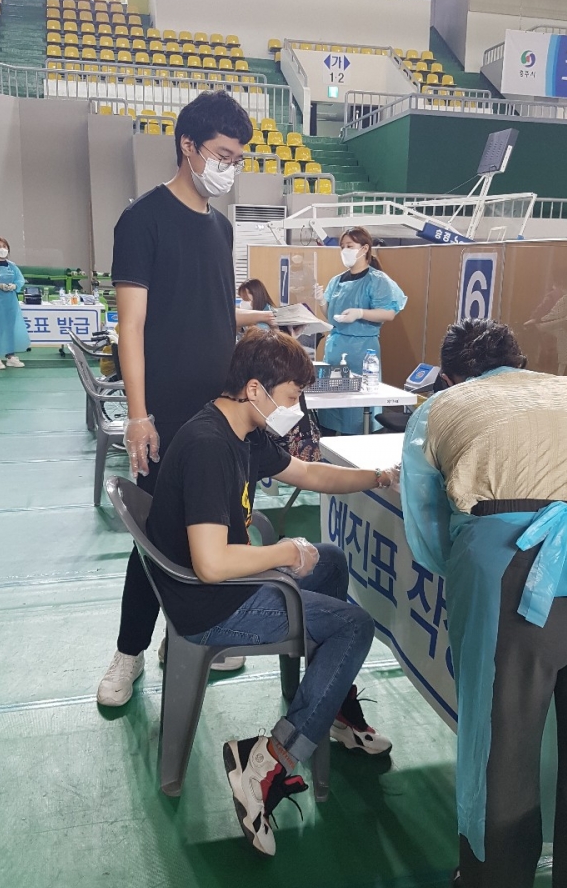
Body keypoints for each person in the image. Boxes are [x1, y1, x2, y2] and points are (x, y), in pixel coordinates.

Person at [147, 328, 399, 856]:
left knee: (330, 561)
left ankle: (331, 708)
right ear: (255, 389)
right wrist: (282, 552)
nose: (294, 410)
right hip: (211, 605)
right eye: (290, 397)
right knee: (355, 626)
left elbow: (308, 473)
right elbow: (212, 564)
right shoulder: (210, 447)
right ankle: (269, 760)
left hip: (223, 586)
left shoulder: (242, 427)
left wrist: (378, 477)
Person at [400, 318, 567, 888]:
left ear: (450, 374)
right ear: (523, 362)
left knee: (501, 755)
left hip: (512, 570)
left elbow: (427, 532)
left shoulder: (439, 409)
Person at [97, 91, 277, 706]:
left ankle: (190, 637)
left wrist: (266, 322)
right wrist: (139, 415)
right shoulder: (142, 219)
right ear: (188, 146)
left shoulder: (220, 227)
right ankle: (128, 653)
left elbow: (214, 309)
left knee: (222, 528)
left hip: (221, 413)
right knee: (158, 536)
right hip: (168, 412)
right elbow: (132, 325)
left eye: (237, 159)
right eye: (223, 155)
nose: (230, 168)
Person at [315, 227, 407, 434]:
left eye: (350, 246)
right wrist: (321, 302)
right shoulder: (337, 281)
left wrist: (360, 313)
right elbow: (331, 316)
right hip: (335, 349)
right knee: (330, 410)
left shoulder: (377, 280)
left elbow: (388, 313)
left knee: (356, 412)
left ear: (364, 248)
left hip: (362, 352)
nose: (344, 250)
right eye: (342, 247)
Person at [0, 237, 29, 369]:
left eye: (4, 246)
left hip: (10, 302)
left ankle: (10, 356)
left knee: (10, 329)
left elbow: (20, 280)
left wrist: (14, 286)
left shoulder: (12, 266)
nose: (2, 249)